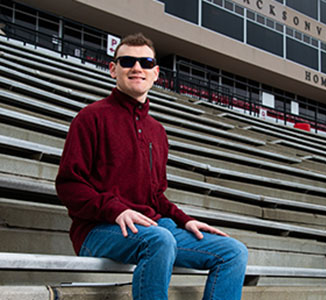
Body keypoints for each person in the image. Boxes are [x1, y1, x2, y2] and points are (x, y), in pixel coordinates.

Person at [55, 32, 248, 300]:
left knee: (233, 252)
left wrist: (186, 220)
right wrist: (116, 210)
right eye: (127, 62)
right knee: (159, 240)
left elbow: (155, 196)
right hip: (99, 229)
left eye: (146, 63)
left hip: (154, 227)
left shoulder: (157, 132)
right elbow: (69, 186)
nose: (137, 68)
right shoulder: (90, 118)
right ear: (113, 69)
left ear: (156, 73)